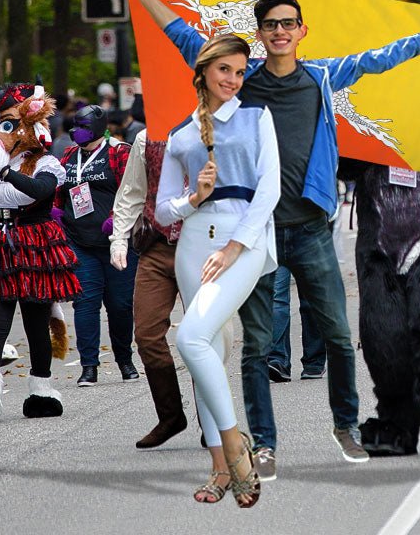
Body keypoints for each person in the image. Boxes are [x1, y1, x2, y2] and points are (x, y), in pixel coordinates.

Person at [124, 0, 420, 476]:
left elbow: (378, 59)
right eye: (271, 25)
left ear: (302, 31)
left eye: (288, 23)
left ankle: (346, 426)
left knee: (335, 333)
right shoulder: (240, 80)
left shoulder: (323, 77)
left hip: (309, 229)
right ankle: (264, 444)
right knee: (258, 345)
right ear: (259, 35)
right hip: (254, 233)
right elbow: (181, 34)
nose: (280, 31)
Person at [156, 33, 277, 506]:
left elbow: (269, 189)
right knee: (207, 351)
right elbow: (163, 211)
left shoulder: (256, 116)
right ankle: (218, 470)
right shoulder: (182, 135)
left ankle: (235, 449)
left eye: (240, 71)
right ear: (204, 70)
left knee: (190, 337)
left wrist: (234, 246)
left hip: (241, 241)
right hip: (192, 244)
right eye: (225, 69)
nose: (233, 79)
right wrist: (194, 198)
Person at [0, 82, 78, 420]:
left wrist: (4, 174)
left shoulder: (46, 163)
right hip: (1, 243)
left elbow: (38, 192)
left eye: (12, 123)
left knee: (36, 322)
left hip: (34, 245)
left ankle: (41, 389)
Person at [109, 130, 189, 448]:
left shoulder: (218, 127)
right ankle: (170, 416)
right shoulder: (146, 138)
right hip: (156, 247)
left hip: (201, 247)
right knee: (146, 334)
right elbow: (131, 193)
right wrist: (118, 238)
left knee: (203, 336)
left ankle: (213, 419)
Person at [57, 105, 138, 386]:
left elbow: (134, 191)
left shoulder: (120, 152)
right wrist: (56, 212)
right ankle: (89, 366)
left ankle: (125, 361)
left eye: (82, 125)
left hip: (118, 242)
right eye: (75, 125)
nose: (75, 131)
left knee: (120, 306)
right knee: (85, 304)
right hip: (80, 242)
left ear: (97, 126)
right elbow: (60, 189)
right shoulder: (69, 155)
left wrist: (117, 219)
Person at [267, 264, 326, 382]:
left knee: (309, 299)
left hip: (309, 246)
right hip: (279, 246)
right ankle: (278, 360)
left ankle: (314, 363)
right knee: (277, 297)